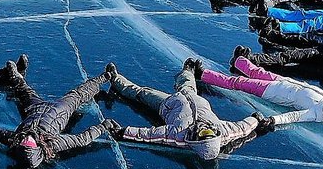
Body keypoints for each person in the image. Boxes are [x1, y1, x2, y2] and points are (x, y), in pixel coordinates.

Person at [0, 62, 116, 169]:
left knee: (24, 91)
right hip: (60, 110)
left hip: (35, 109)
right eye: (30, 144)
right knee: (79, 94)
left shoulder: (15, 139)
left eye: (24, 143)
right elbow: (82, 139)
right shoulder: (54, 143)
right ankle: (107, 76)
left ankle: (15, 74)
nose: (27, 139)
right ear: (38, 148)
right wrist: (103, 126)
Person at [103, 61, 262, 147]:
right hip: (191, 95)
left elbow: (150, 135)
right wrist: (256, 119)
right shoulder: (224, 132)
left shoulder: (178, 134)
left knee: (142, 93)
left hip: (168, 104)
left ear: (195, 139)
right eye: (209, 132)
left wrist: (123, 132)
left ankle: (116, 80)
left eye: (202, 135)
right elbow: (242, 128)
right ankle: (188, 70)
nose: (204, 129)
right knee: (187, 83)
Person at [198, 55, 323, 136]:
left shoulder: (317, 112)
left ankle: (203, 74)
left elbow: (293, 116)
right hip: (285, 81)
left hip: (271, 91)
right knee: (257, 71)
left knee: (238, 82)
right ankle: (238, 60)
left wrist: (273, 120)